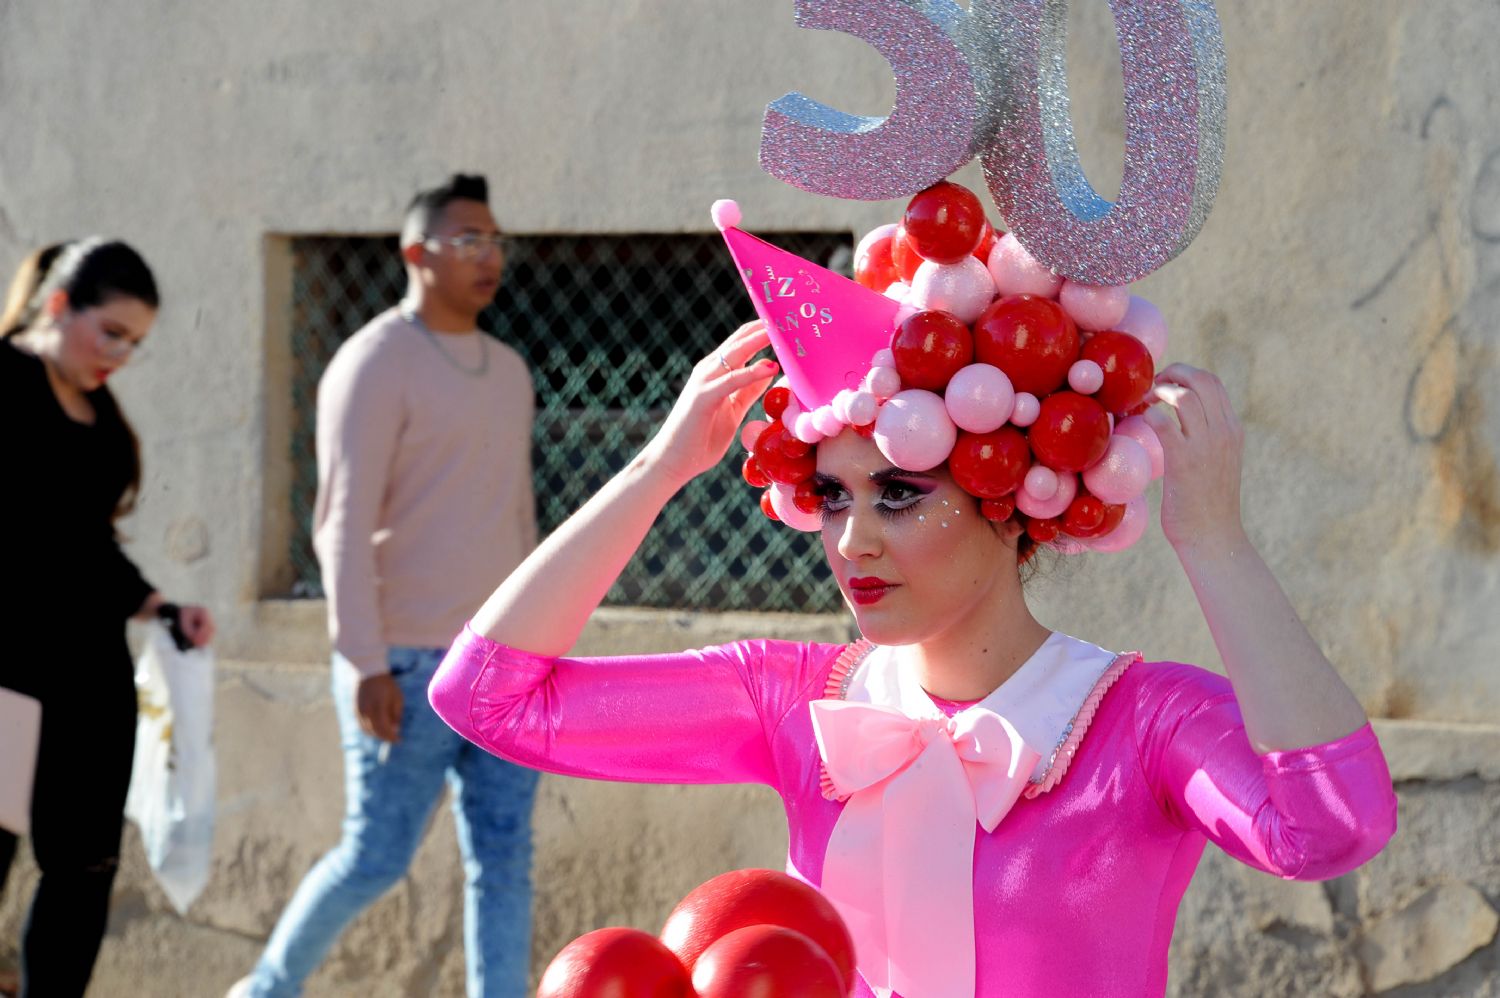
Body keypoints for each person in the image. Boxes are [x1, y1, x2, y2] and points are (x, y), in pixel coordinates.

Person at [427, 239, 1398, 992]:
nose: (851, 542)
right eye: (834, 495)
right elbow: (484, 697)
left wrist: (1215, 539)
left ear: (1015, 495)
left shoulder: (1143, 722)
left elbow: (1331, 825)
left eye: (898, 494)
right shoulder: (794, 697)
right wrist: (658, 469)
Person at [231, 174, 541, 998]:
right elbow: (339, 521)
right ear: (416, 253)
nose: (489, 256)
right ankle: (264, 989)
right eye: (468, 239)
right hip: (400, 664)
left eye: (495, 240)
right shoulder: (373, 361)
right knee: (375, 856)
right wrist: (363, 660)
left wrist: (537, 643)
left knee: (505, 861)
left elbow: (518, 518)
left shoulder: (510, 371)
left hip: (500, 663)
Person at [0, 239, 216, 998]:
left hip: (88, 682)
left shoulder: (100, 413)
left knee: (84, 869)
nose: (121, 354)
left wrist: (160, 606)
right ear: (58, 306)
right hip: (8, 682)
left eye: (136, 343)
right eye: (112, 333)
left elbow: (89, 544)